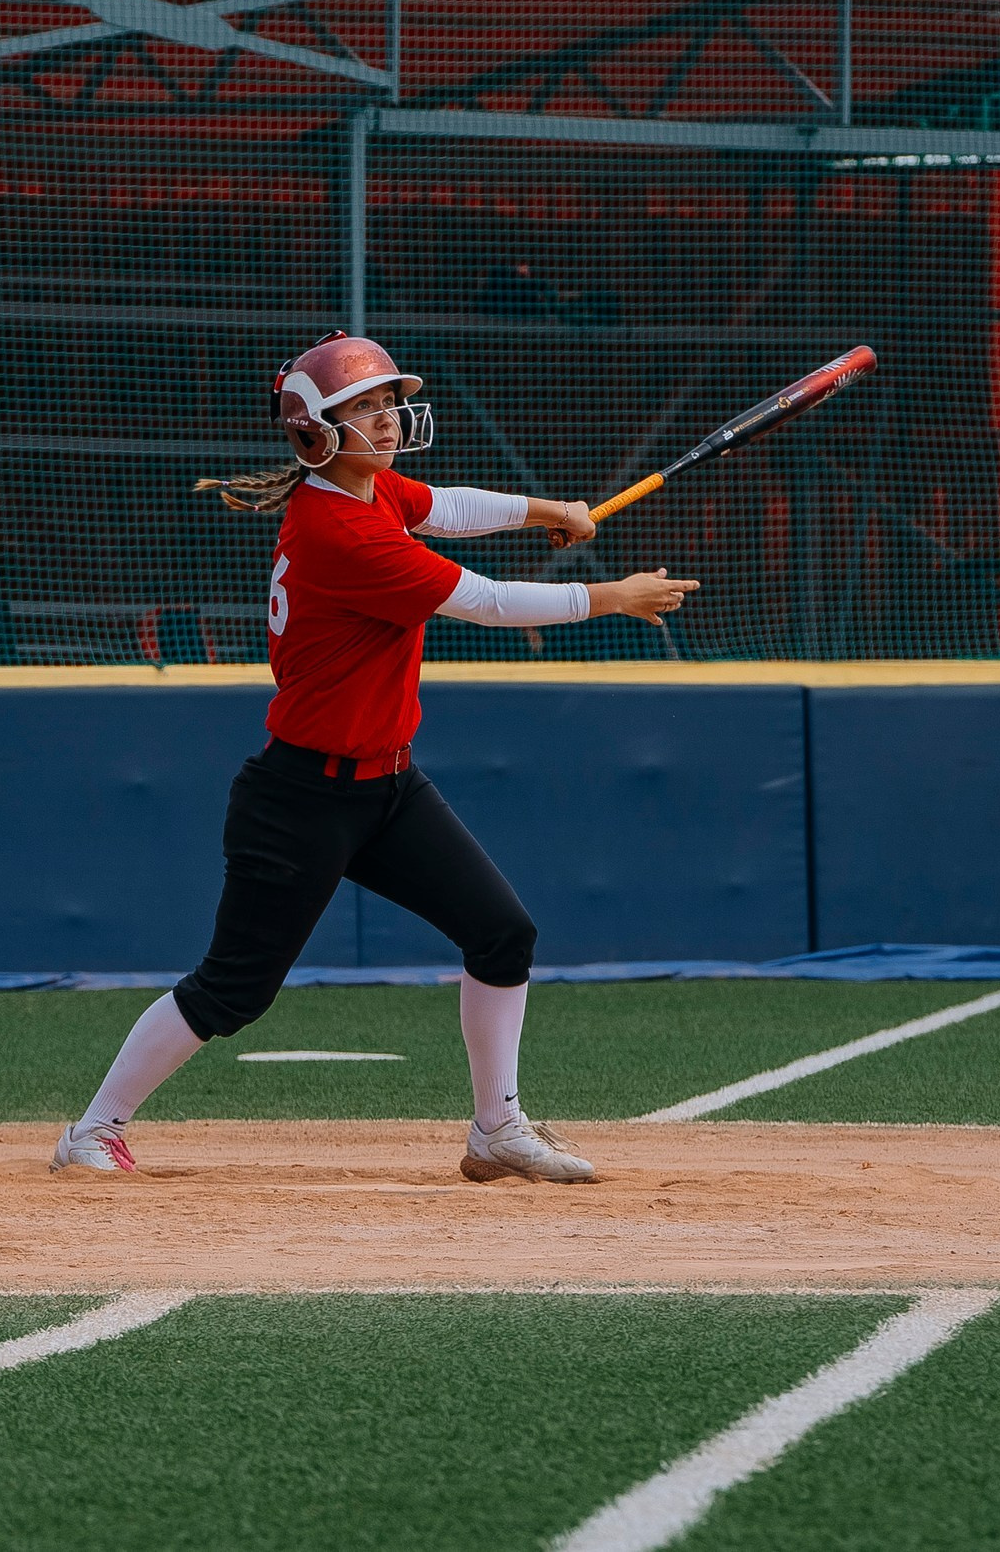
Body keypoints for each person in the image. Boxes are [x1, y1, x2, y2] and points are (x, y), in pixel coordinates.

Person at [50, 331, 698, 1182]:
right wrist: (614, 595)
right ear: (316, 431)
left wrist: (551, 510)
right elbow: (489, 600)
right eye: (364, 408)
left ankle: (496, 1128)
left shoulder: (369, 494)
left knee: (502, 932)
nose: (387, 418)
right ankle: (93, 1130)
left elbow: (450, 504)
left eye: (388, 403)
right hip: (300, 798)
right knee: (232, 991)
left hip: (387, 785)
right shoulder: (340, 533)